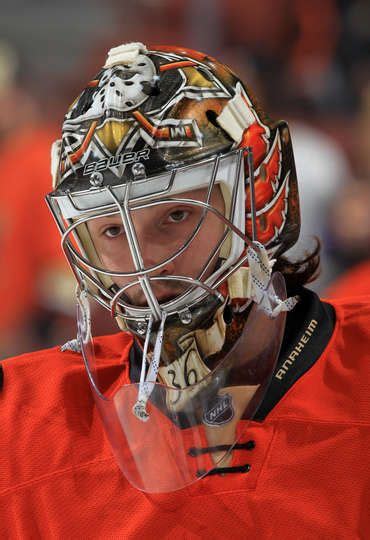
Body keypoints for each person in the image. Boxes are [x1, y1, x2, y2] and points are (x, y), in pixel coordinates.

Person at [1, 42, 369, 538]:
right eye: (112, 230)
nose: (144, 264)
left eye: (176, 215)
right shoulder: (26, 427)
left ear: (259, 197)